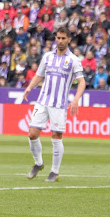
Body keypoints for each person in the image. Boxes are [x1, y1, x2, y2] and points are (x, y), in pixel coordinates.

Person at [22, 27, 86, 182]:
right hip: (43, 101)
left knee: (56, 136)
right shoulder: (47, 56)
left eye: (64, 38)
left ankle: (55, 171)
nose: (60, 41)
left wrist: (76, 99)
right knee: (32, 133)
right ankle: (38, 163)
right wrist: (29, 88)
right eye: (58, 38)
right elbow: (39, 75)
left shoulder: (74, 60)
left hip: (59, 104)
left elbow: (82, 81)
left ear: (69, 39)